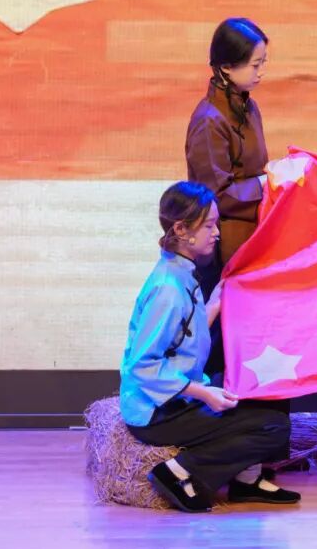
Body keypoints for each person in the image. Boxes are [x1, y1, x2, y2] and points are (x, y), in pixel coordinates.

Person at [120, 181, 301, 512]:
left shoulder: (179, 272)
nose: (216, 233)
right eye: (208, 225)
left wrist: (217, 300)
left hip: (177, 397)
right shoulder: (168, 289)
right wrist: (203, 393)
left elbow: (185, 334)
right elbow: (142, 365)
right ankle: (180, 472)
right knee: (274, 427)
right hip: (157, 412)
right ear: (181, 229)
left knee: (260, 395)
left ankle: (246, 482)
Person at [185, 17, 270, 375]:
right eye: (255, 65)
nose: (261, 72)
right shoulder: (209, 120)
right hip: (223, 249)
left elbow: (254, 168)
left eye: (263, 63)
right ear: (225, 67)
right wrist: (265, 184)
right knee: (222, 343)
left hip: (249, 239)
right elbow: (215, 194)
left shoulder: (248, 106)